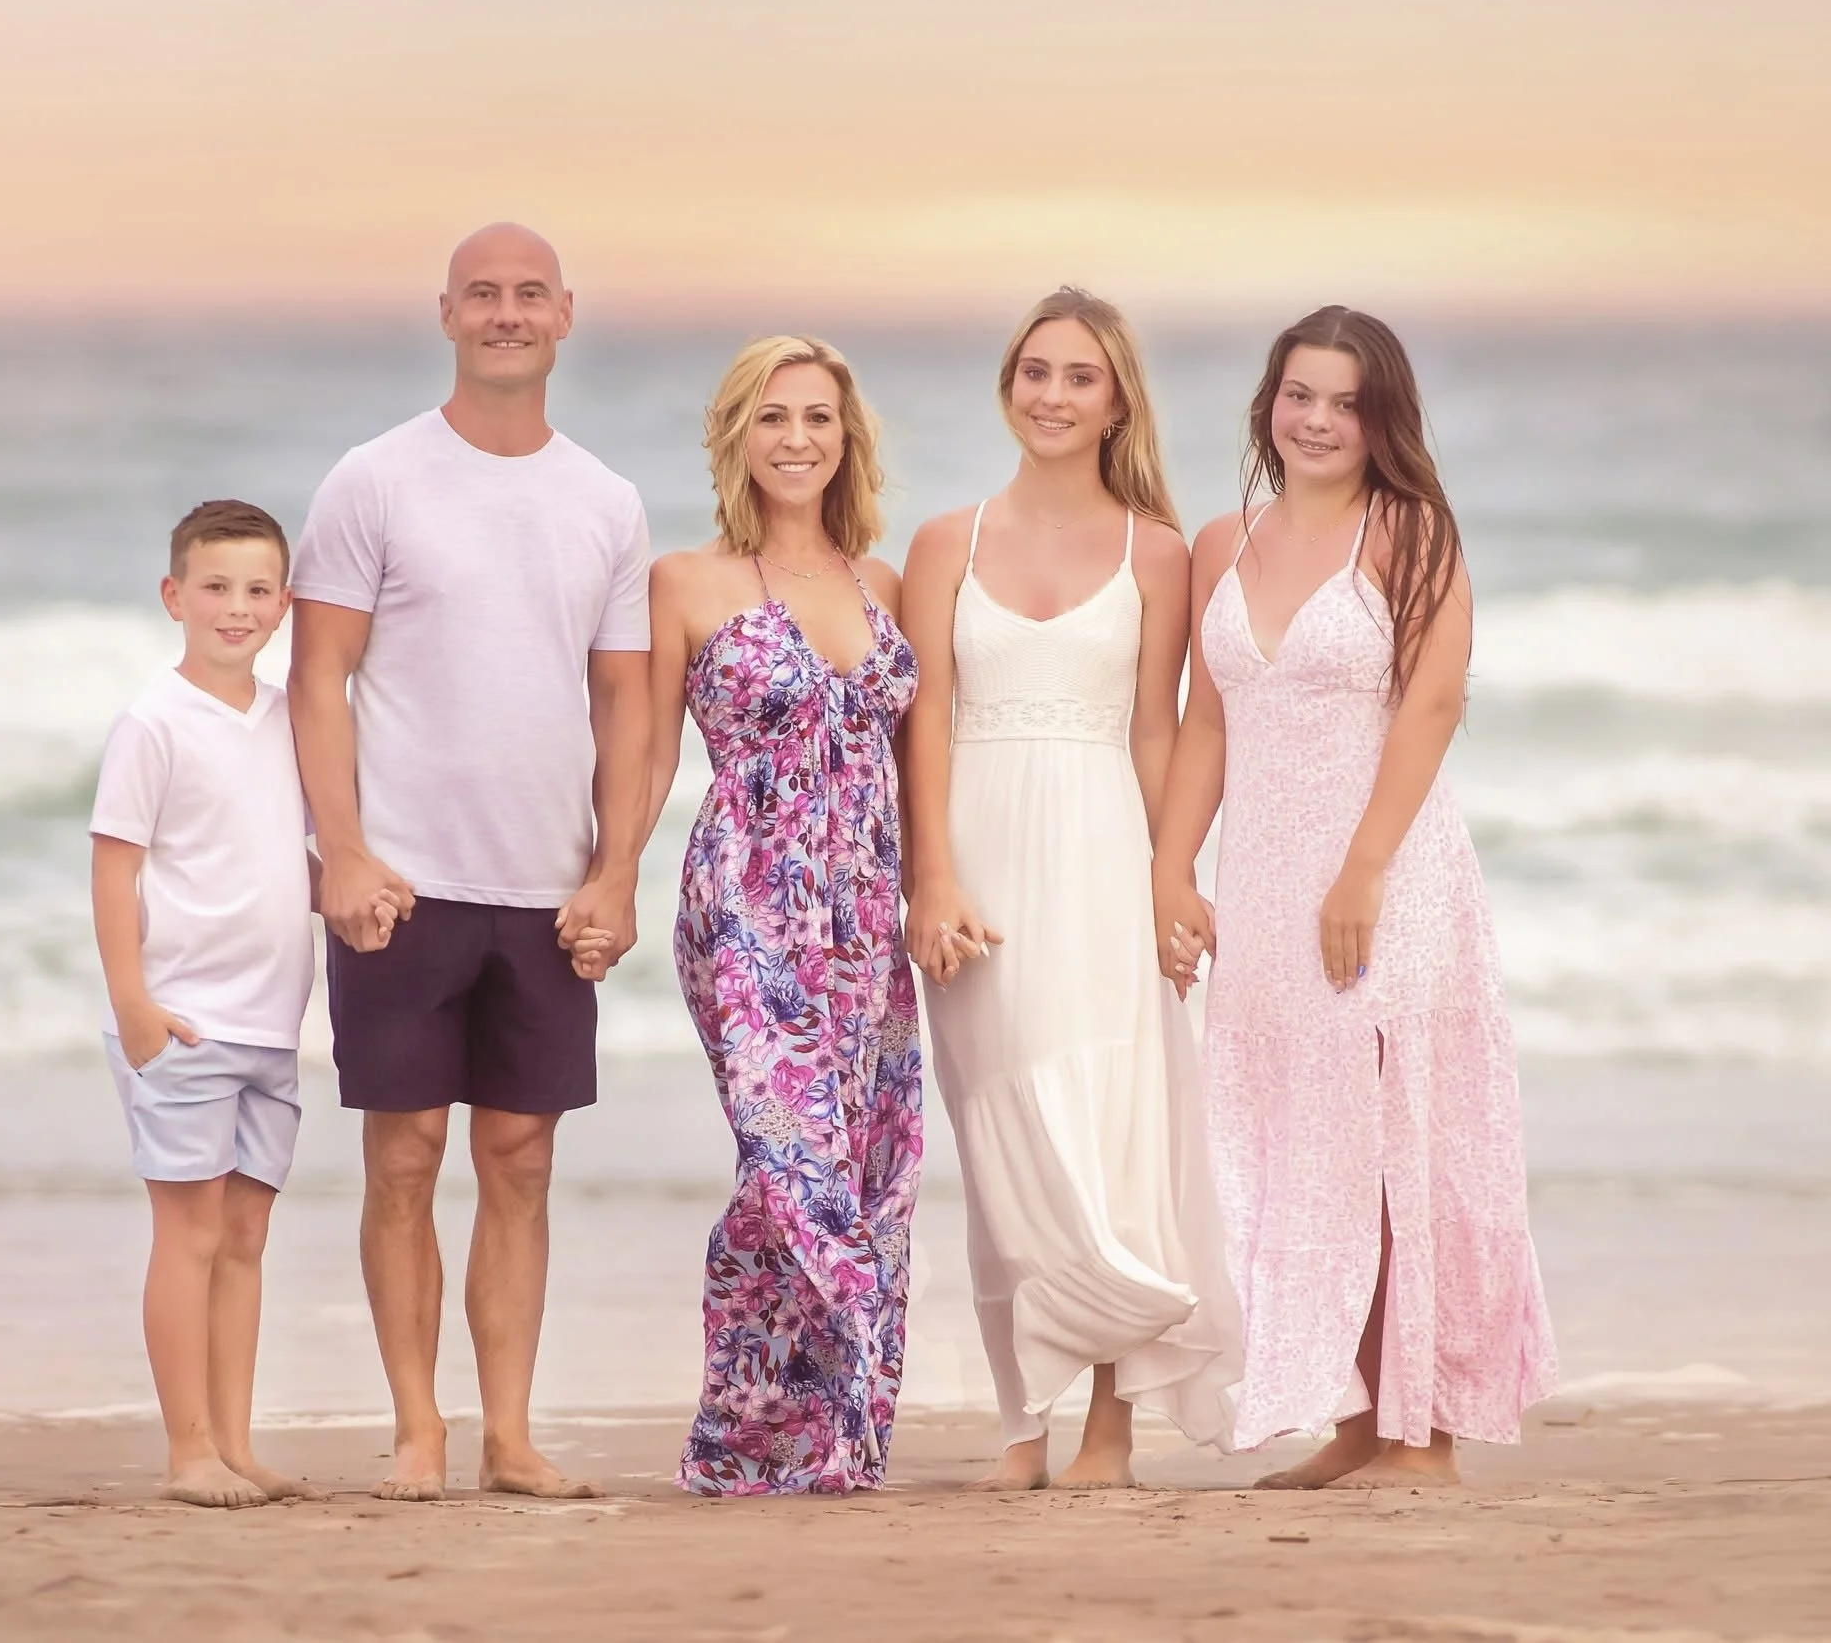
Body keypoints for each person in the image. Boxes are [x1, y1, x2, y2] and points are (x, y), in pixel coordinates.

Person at [1153, 305, 1556, 1488]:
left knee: (1398, 1146)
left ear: (1381, 417)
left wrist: (1364, 869)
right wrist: (1172, 868)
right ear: (1265, 404)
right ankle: (1360, 1418)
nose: (1316, 420)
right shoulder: (1222, 541)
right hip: (1266, 886)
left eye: (1342, 400)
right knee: (1309, 1147)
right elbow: (1204, 723)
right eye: (1296, 394)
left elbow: (1433, 701)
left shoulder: (1409, 530)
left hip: (1386, 878)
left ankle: (1419, 1439)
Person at [287, 224, 651, 1501]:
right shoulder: (373, 479)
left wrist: (615, 872)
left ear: (565, 316)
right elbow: (316, 678)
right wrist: (339, 850)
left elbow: (627, 707)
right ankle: (416, 1428)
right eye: (483, 294)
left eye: (528, 294)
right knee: (400, 1158)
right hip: (401, 883)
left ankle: (508, 1431)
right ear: (445, 312)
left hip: (544, 892)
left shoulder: (605, 501)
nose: (506, 312)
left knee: (522, 1160)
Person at [901, 289, 1242, 1492]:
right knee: (1002, 1143)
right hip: (978, 865)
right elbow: (924, 718)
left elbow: (1157, 729)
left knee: (1107, 1131)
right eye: (1034, 371)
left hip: (1101, 850)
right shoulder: (946, 541)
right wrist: (927, 875)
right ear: (1008, 385)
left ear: (1115, 402)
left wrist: (1170, 878)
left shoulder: (1156, 551)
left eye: (1078, 377)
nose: (1051, 394)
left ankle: (1110, 1425)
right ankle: (1018, 1424)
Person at [644, 336, 924, 1494]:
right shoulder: (685, 581)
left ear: (844, 436)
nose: (796, 438)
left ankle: (806, 1433)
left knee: (866, 1163)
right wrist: (604, 883)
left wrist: (935, 892)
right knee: (787, 1160)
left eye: (816, 416)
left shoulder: (884, 582)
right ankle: (761, 1424)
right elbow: (643, 758)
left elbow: (918, 757)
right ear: (735, 437)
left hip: (864, 908)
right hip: (747, 902)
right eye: (772, 418)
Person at [90, 500, 397, 1508]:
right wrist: (133, 1003)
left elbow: (278, 863)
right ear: (175, 596)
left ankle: (234, 1440)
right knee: (185, 1233)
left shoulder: (284, 721)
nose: (237, 606)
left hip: (271, 1025)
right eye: (214, 587)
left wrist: (351, 890)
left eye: (258, 589)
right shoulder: (152, 721)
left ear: (286, 604)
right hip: (181, 1017)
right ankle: (187, 1451)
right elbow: (114, 870)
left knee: (245, 1236)